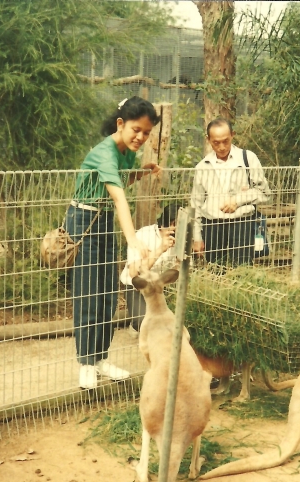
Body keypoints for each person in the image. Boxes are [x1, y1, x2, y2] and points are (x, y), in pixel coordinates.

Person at [66, 97, 161, 390]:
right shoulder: (105, 152)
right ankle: (86, 364)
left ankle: (100, 359)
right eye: (136, 130)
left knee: (108, 293)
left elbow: (117, 185)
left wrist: (139, 172)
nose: (141, 137)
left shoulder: (126, 152)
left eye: (146, 133)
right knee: (88, 293)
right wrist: (133, 242)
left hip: (104, 220)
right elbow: (119, 198)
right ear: (120, 124)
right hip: (84, 220)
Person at [190, 118, 271, 266]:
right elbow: (196, 205)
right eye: (216, 142)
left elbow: (264, 192)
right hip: (212, 226)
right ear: (208, 139)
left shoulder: (248, 159)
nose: (221, 147)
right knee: (215, 271)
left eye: (225, 141)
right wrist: (197, 237)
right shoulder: (202, 166)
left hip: (242, 223)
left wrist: (238, 200)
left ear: (232, 135)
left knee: (242, 269)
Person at [119, 204, 180, 334]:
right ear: (173, 224)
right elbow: (134, 273)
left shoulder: (182, 238)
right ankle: (135, 325)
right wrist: (160, 250)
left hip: (165, 287)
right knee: (145, 324)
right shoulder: (143, 234)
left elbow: (181, 271)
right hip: (140, 287)